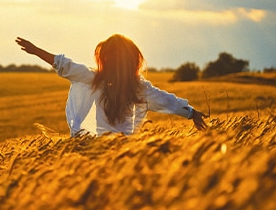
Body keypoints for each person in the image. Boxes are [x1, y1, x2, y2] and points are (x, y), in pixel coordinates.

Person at [15, 34, 208, 136]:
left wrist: (36, 50)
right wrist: (190, 112)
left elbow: (64, 65)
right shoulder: (136, 86)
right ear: (133, 60)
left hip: (97, 148)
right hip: (119, 149)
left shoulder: (92, 78)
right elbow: (165, 100)